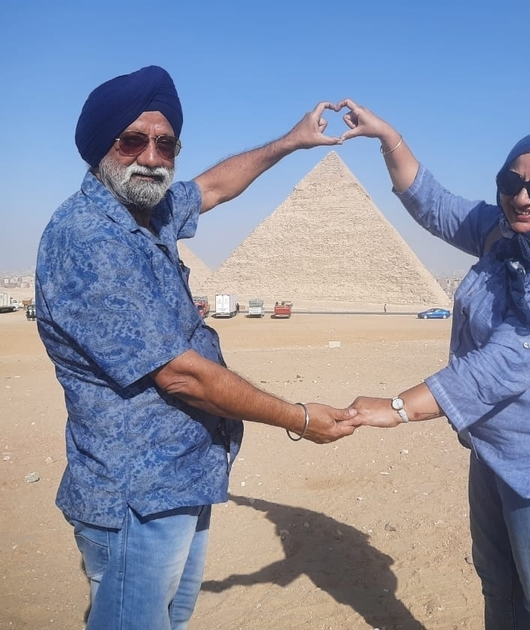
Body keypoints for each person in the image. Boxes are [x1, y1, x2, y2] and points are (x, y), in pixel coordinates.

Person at [34, 66, 357, 630]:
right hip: (134, 492)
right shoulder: (90, 238)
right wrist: (301, 419)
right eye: (132, 140)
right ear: (100, 145)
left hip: (180, 477)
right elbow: (183, 376)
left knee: (170, 620)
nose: (152, 157)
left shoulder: (147, 210)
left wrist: (290, 141)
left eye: (166, 144)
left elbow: (214, 187)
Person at [335, 99, 530, 630]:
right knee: (500, 589)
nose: (522, 197)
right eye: (510, 181)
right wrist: (386, 136)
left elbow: (492, 370)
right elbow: (434, 205)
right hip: (494, 448)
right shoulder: (503, 237)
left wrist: (397, 408)